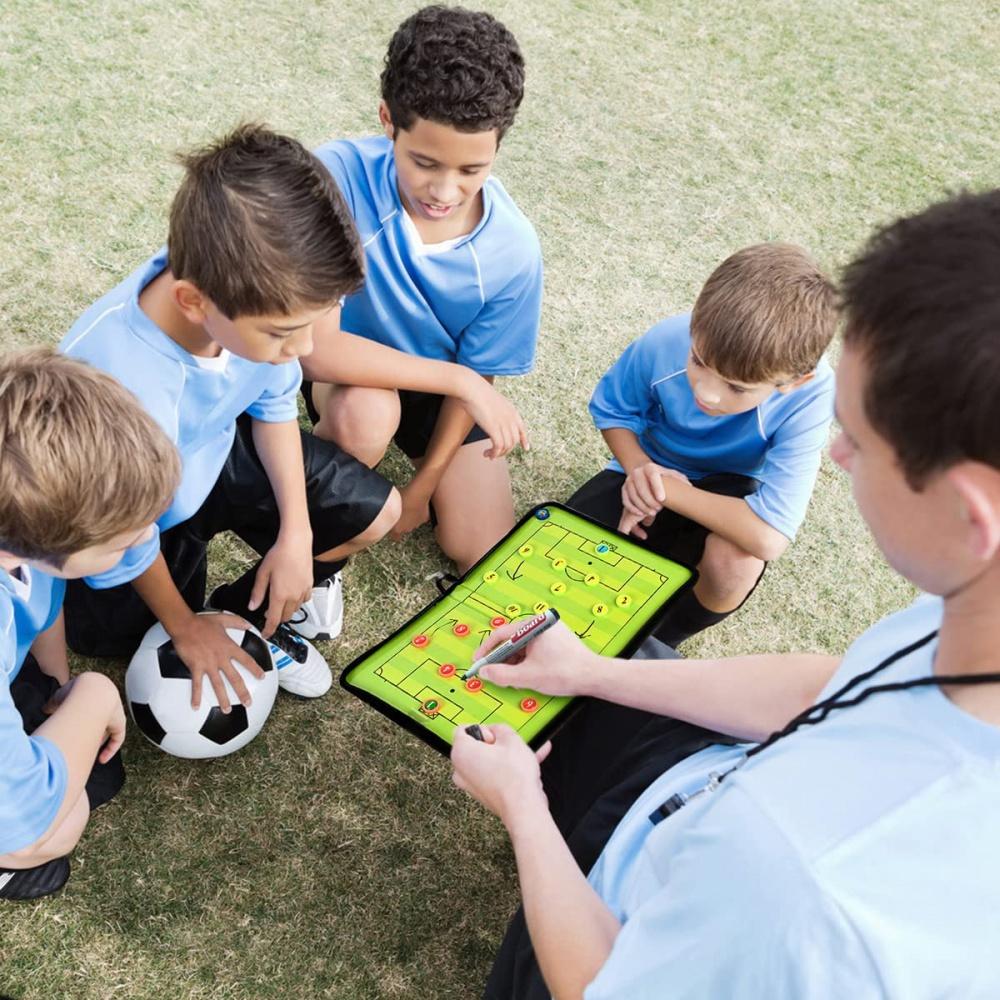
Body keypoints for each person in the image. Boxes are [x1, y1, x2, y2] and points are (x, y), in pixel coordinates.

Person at [451, 189, 1000, 998]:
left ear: (967, 512)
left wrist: (522, 807)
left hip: (619, 922)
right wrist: (596, 672)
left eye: (860, 435)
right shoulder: (962, 627)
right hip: (689, 793)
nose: (839, 454)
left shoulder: (799, 890)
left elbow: (603, 983)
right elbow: (833, 683)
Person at [305, 5, 543, 572]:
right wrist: (459, 378)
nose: (444, 189)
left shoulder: (513, 251)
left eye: (471, 170)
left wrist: (423, 485)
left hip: (440, 391)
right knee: (366, 416)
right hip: (348, 370)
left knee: (481, 552)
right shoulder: (332, 178)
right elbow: (315, 350)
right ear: (388, 120)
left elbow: (477, 373)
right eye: (424, 162)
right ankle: (319, 569)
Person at [569, 243, 837, 646]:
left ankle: (663, 640)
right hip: (646, 466)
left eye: (737, 387)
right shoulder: (666, 340)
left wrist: (665, 491)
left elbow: (768, 536)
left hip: (728, 491)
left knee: (736, 562)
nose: (708, 394)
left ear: (793, 381)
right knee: (563, 550)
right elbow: (613, 412)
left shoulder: (812, 396)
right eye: (698, 361)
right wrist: (640, 469)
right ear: (696, 321)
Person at [0, 348, 179, 900]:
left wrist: (56, 689)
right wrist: (96, 694)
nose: (145, 542)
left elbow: (45, 603)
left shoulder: (21, 540)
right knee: (65, 818)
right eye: (126, 542)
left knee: (97, 772)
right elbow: (24, 813)